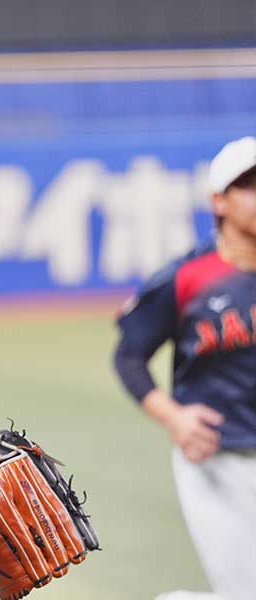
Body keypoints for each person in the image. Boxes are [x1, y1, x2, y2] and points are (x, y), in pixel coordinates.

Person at [113, 136, 256, 600]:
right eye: (248, 186)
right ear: (219, 201)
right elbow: (129, 354)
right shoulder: (189, 277)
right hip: (219, 455)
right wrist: (174, 416)